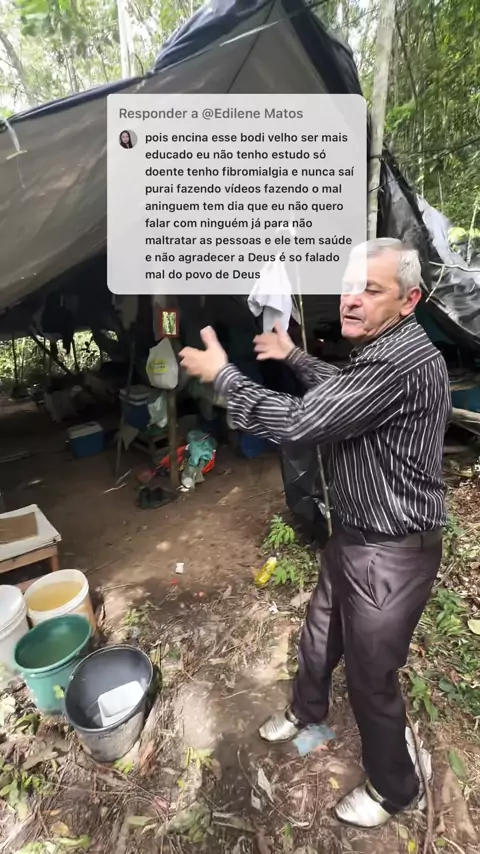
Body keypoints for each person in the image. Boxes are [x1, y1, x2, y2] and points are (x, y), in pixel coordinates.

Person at [179, 238, 451, 829]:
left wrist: (225, 377)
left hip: (390, 551)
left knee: (371, 677)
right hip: (355, 534)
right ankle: (307, 710)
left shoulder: (400, 361)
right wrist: (295, 357)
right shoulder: (385, 352)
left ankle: (395, 789)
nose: (350, 300)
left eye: (370, 290)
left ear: (409, 301)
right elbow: (347, 392)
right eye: (349, 287)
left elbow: (305, 420)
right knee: (321, 629)